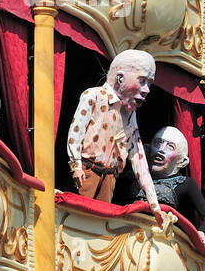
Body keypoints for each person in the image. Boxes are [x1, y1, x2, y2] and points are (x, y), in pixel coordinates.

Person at [66, 49, 160, 206]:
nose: (146, 90)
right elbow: (76, 132)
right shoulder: (93, 96)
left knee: (99, 225)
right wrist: (76, 166)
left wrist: (154, 203)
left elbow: (138, 156)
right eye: (142, 81)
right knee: (79, 216)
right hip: (87, 172)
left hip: (110, 179)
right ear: (120, 78)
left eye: (149, 84)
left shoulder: (130, 114)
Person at [120, 126, 205, 237]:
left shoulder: (186, 184)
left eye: (170, 147)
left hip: (161, 239)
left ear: (182, 161)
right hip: (127, 233)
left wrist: (201, 232)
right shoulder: (132, 177)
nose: (161, 150)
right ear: (148, 148)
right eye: (158, 143)